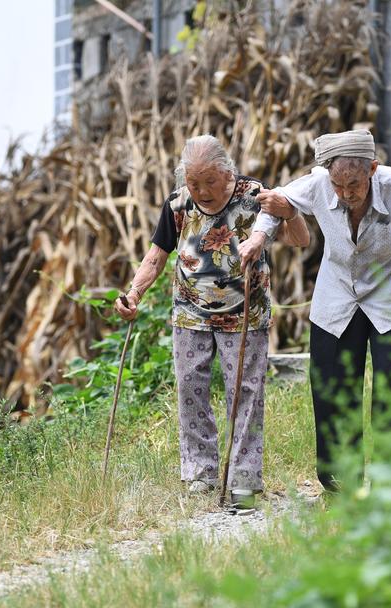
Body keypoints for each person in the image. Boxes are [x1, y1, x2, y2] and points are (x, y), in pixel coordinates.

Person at [238, 129, 391, 492]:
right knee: (330, 385)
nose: (345, 194)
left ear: (373, 169)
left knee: (390, 388)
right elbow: (277, 203)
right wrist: (258, 237)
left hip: (388, 292)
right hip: (337, 293)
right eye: (338, 186)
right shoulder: (318, 184)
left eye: (354, 185)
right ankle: (339, 480)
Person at [115, 134, 309, 508]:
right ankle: (201, 476)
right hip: (191, 312)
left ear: (228, 173)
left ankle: (244, 480)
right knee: (190, 388)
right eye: (193, 183)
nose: (201, 192)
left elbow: (299, 239)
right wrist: (134, 293)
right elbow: (156, 257)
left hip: (244, 313)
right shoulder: (179, 204)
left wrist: (289, 210)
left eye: (209, 182)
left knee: (246, 394)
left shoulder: (255, 198)